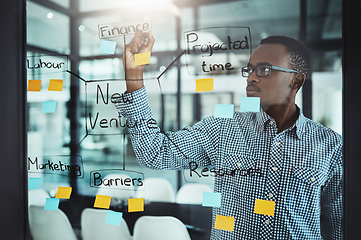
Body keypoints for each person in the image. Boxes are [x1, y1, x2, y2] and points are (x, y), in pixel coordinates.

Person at [115, 31, 342, 239]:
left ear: (296, 80)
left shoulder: (330, 145)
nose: (251, 77)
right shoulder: (223, 129)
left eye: (264, 69)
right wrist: (134, 78)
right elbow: (154, 153)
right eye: (249, 69)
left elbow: (338, 225)